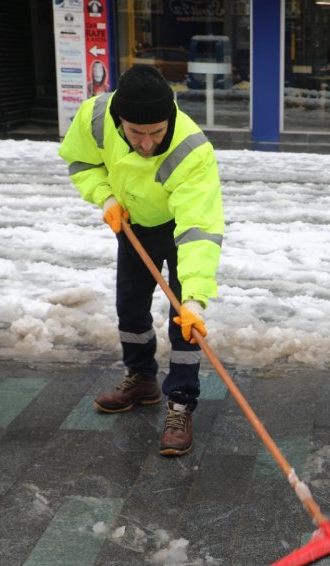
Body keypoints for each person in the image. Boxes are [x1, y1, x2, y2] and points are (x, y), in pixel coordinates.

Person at [58, 64, 224, 457]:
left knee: (184, 324)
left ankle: (180, 404)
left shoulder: (191, 150)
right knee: (130, 307)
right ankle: (142, 379)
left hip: (178, 229)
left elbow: (199, 229)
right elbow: (81, 162)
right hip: (131, 222)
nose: (147, 144)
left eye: (156, 132)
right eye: (136, 133)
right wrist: (105, 196)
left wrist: (194, 299)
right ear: (119, 120)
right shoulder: (95, 117)